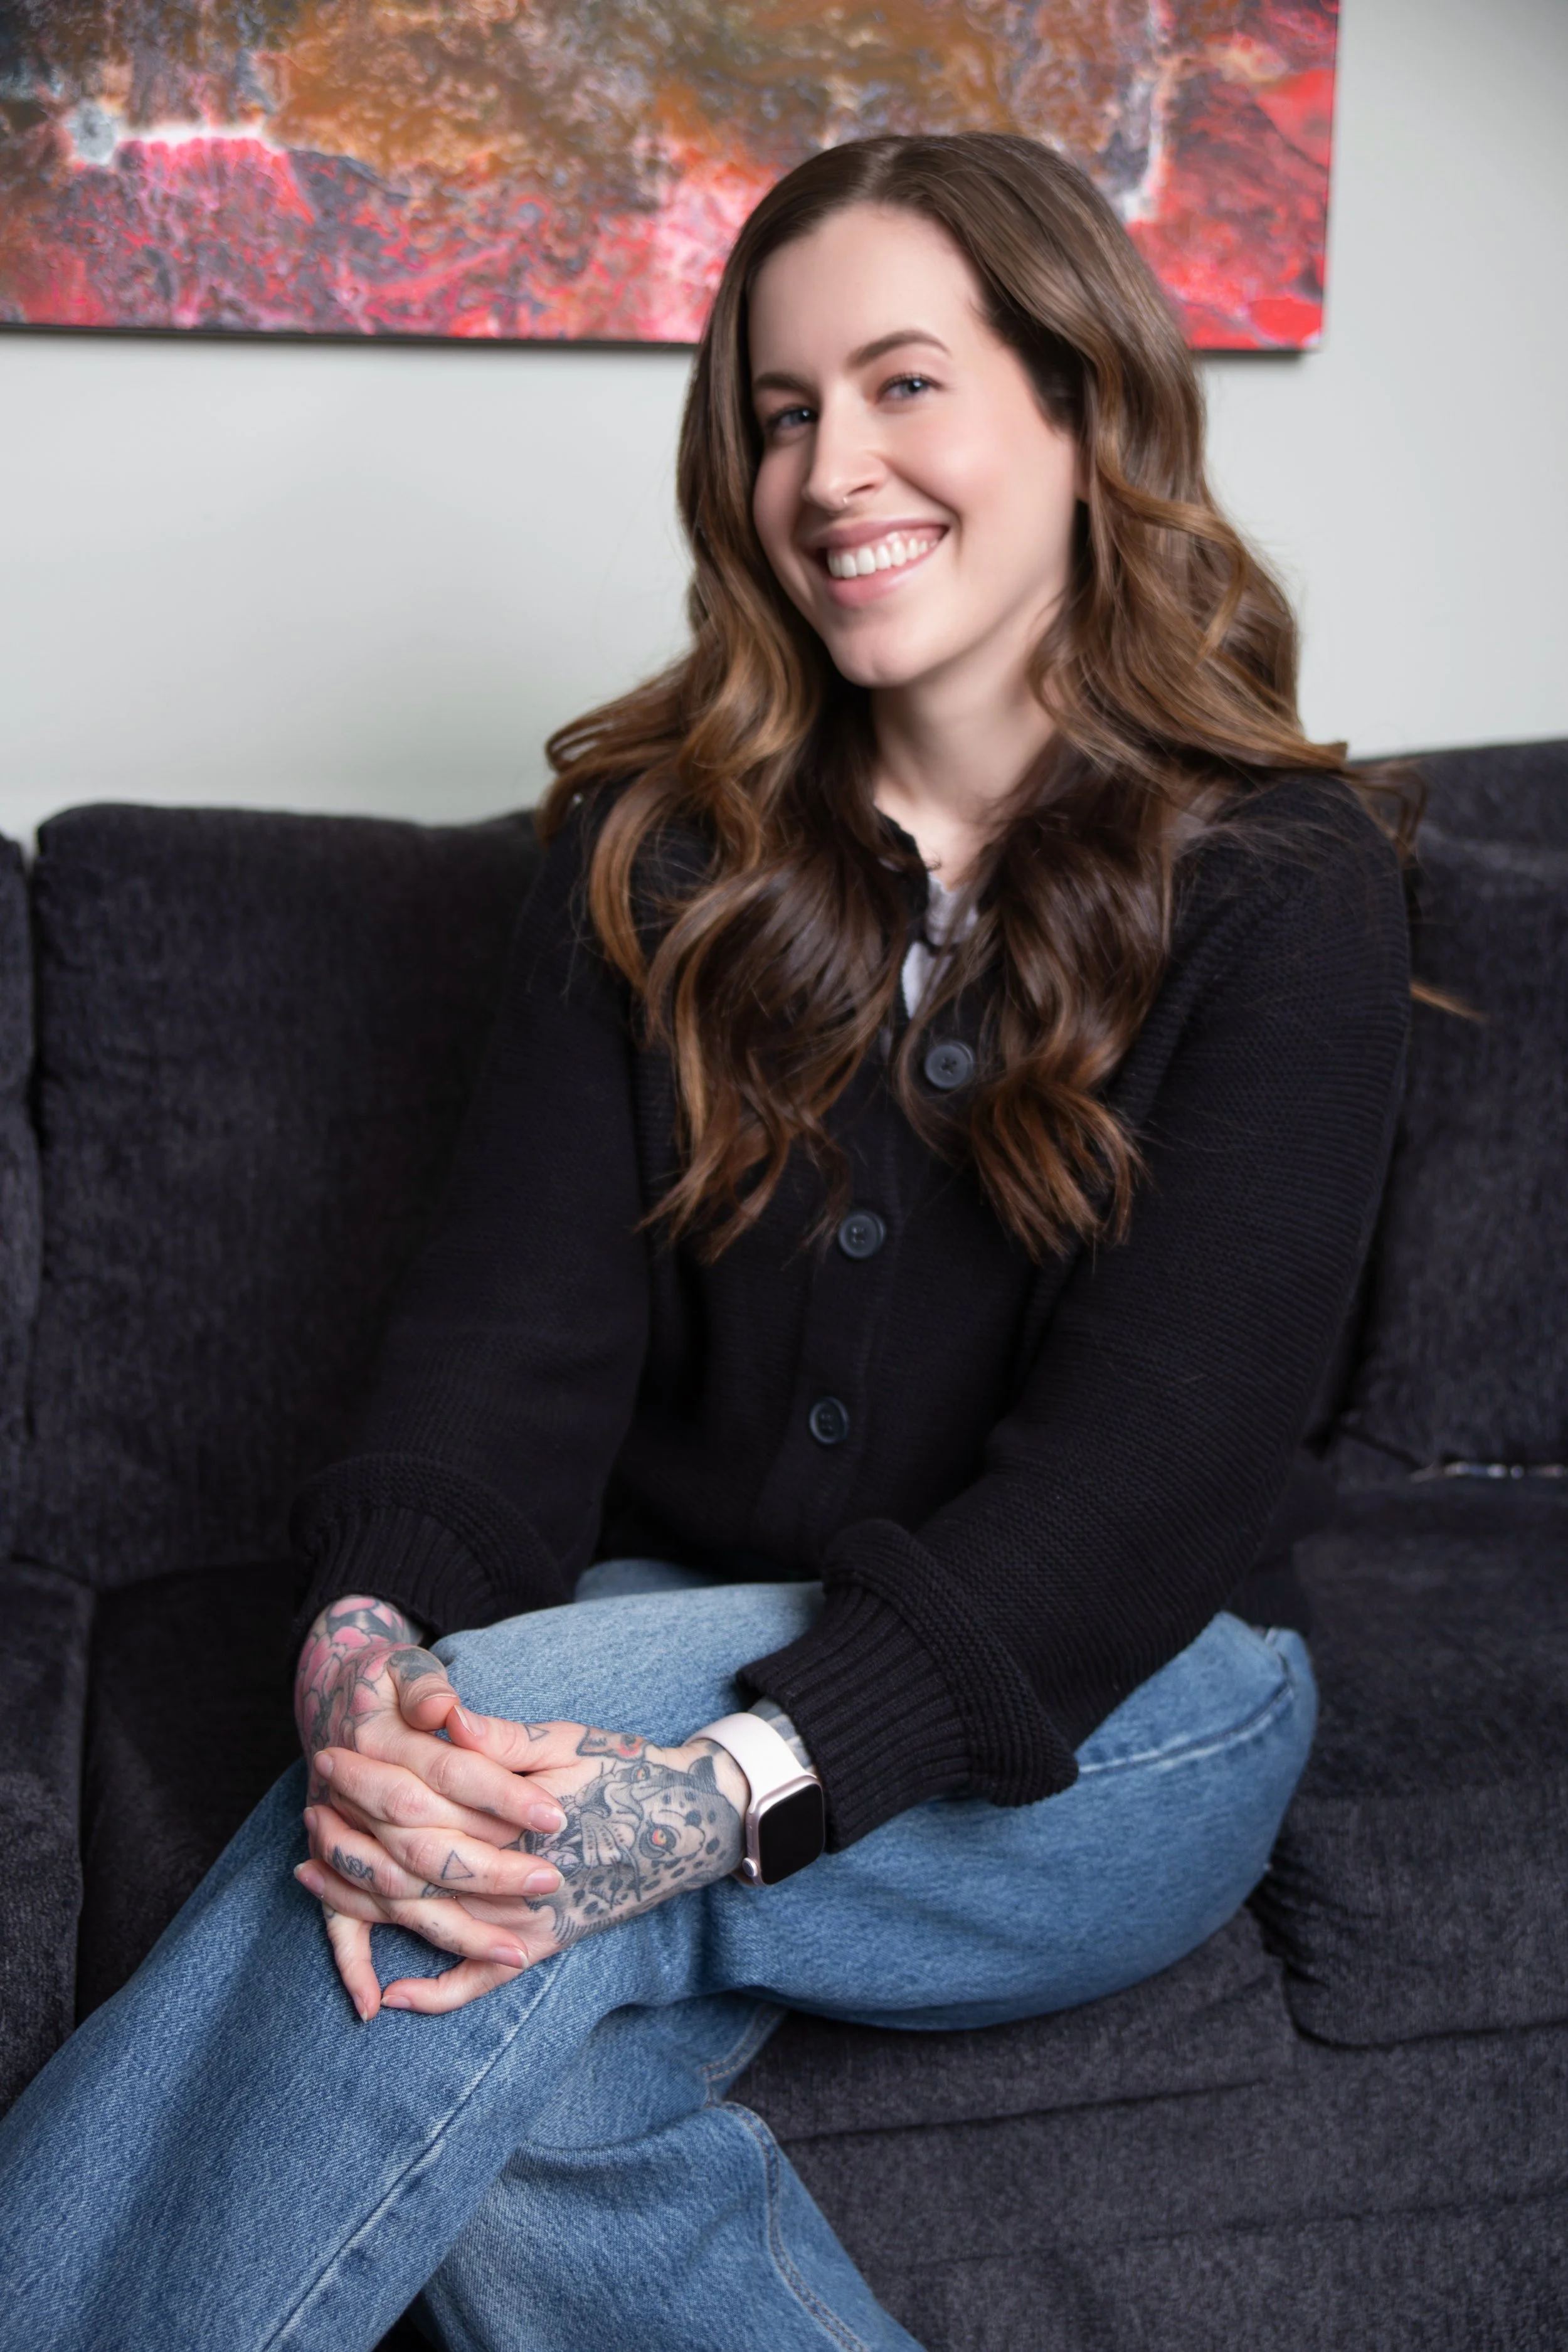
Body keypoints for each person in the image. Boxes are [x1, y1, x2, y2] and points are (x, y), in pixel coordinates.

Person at [0, 132, 1411, 2352]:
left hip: (1120, 1714)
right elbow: (503, 1347)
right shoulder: (656, 850)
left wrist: (713, 1792)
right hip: (693, 1637)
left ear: (1078, 410)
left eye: (903, 383)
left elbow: (1149, 1495)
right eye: (777, 407)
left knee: (485, 1770)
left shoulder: (1282, 878)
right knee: (483, 1997)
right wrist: (365, 1663)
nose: (829, 463)